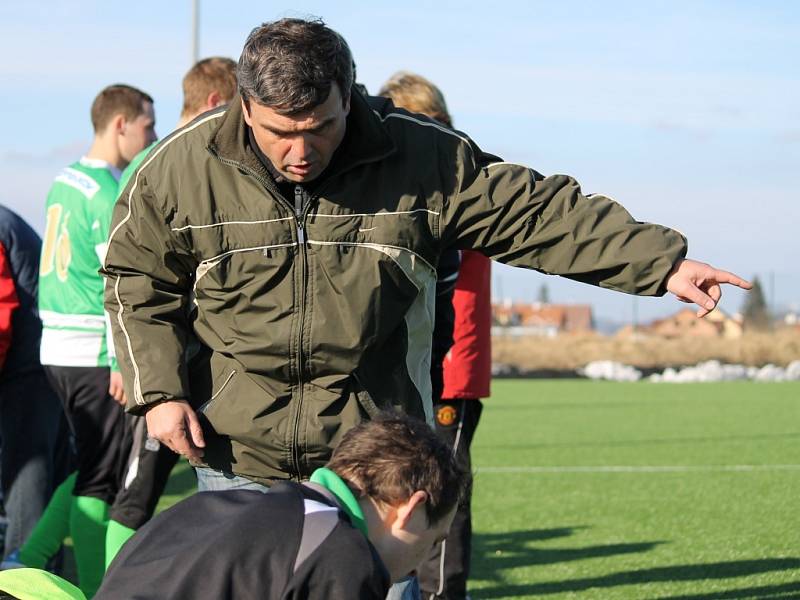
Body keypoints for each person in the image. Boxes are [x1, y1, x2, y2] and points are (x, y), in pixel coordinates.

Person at [103, 18, 749, 492]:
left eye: (320, 128)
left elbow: (536, 212)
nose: (301, 151)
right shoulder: (178, 172)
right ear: (245, 107)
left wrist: (660, 263)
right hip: (237, 457)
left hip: (374, 457)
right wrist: (157, 392)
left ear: (348, 96)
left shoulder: (425, 158)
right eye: (280, 133)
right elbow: (134, 275)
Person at [7, 84, 156, 598]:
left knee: (89, 466)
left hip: (57, 352)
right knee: (103, 482)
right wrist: (122, 360)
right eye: (147, 125)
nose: (151, 136)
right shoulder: (105, 191)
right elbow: (117, 278)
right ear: (121, 125)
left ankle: (24, 558)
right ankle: (99, 591)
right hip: (95, 352)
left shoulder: (62, 181)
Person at [92, 414, 469, 599]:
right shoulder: (343, 557)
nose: (424, 558)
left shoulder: (215, 507)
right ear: (411, 508)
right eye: (434, 540)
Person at [104, 56, 237, 567]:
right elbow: (122, 270)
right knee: (135, 495)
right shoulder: (160, 166)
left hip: (187, 365)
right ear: (213, 104)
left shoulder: (186, 161)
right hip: (162, 368)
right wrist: (128, 363)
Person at [378, 71, 491, 600]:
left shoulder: (459, 178)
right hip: (405, 366)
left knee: (442, 493)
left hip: (451, 369)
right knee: (394, 492)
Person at [0, 206, 71, 563]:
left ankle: (23, 576)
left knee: (29, 474)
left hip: (29, 367)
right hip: (39, 358)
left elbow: (1, 317)